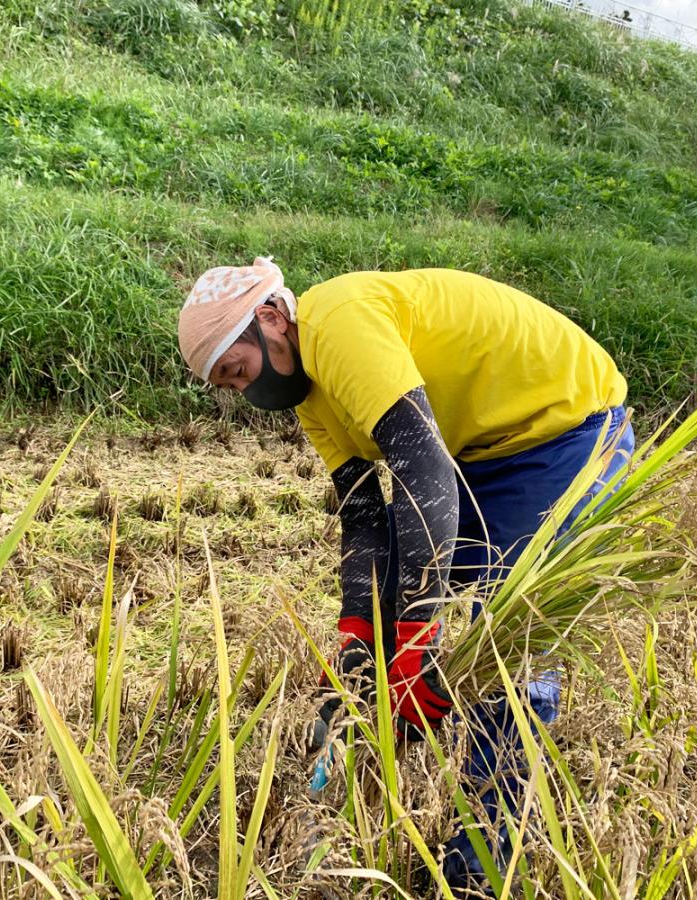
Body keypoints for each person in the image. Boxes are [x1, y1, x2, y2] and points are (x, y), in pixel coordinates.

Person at [177, 257, 635, 887]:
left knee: (503, 643)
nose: (244, 392)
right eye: (227, 387)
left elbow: (423, 477)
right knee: (393, 628)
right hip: (480, 449)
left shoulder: (338, 324)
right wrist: (358, 634)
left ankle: (480, 865)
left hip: (564, 431)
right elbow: (367, 517)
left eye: (237, 370)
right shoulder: (312, 398)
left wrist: (417, 639)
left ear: (271, 319)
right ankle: (363, 800)